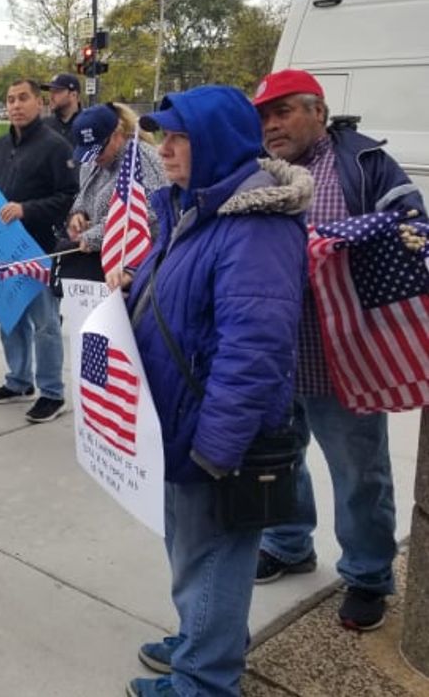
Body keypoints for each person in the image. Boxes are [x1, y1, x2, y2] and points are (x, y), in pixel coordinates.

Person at [121, 85, 311, 697]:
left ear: (218, 144)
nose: (166, 149)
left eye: (180, 139)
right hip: (181, 418)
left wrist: (218, 446)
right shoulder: (190, 208)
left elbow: (255, 349)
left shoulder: (255, 227)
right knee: (191, 549)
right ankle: (199, 640)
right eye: (163, 136)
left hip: (219, 431)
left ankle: (204, 681)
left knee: (215, 559)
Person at [253, 68, 426, 631]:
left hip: (344, 356)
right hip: (276, 355)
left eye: (284, 112)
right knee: (279, 464)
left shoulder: (361, 163)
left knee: (360, 473)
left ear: (318, 113)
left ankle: (369, 574)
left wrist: (343, 243)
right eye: (264, 116)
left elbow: (411, 224)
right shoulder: (255, 173)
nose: (272, 125)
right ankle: (288, 543)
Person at [0, 78, 78, 423]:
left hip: (37, 249)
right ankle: (18, 381)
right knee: (10, 319)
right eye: (10, 99)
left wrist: (26, 209)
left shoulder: (55, 147)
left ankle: (52, 392)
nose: (16, 105)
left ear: (40, 103)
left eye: (23, 98)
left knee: (45, 324)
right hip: (0, 250)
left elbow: (69, 197)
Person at [59, 103, 165, 282]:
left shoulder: (139, 158)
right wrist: (78, 213)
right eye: (88, 153)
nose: (95, 158)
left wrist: (95, 236)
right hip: (101, 266)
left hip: (140, 266)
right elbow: (84, 193)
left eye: (99, 150)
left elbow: (148, 209)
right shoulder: (92, 163)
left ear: (116, 134)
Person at [42, 73, 83, 146]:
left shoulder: (88, 124)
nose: (51, 96)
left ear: (73, 95)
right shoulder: (44, 126)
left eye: (56, 92)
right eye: (50, 92)